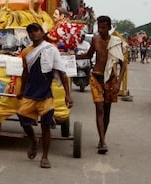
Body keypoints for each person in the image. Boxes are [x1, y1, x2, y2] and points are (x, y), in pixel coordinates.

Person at [16, 23, 73, 168]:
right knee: (23, 119)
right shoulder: (26, 52)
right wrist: (21, 90)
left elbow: (62, 72)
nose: (33, 34)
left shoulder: (51, 49)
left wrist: (68, 95)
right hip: (29, 93)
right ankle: (34, 140)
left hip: (46, 95)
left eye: (36, 31)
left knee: (46, 126)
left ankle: (45, 156)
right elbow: (25, 73)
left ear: (42, 33)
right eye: (30, 32)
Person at [76, 15, 127, 154]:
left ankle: (101, 138)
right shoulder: (95, 39)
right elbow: (88, 54)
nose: (101, 30)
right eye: (100, 27)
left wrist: (119, 84)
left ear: (109, 28)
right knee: (99, 108)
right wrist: (72, 56)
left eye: (104, 27)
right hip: (96, 77)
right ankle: (103, 141)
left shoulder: (116, 42)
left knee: (107, 110)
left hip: (111, 79)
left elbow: (123, 65)